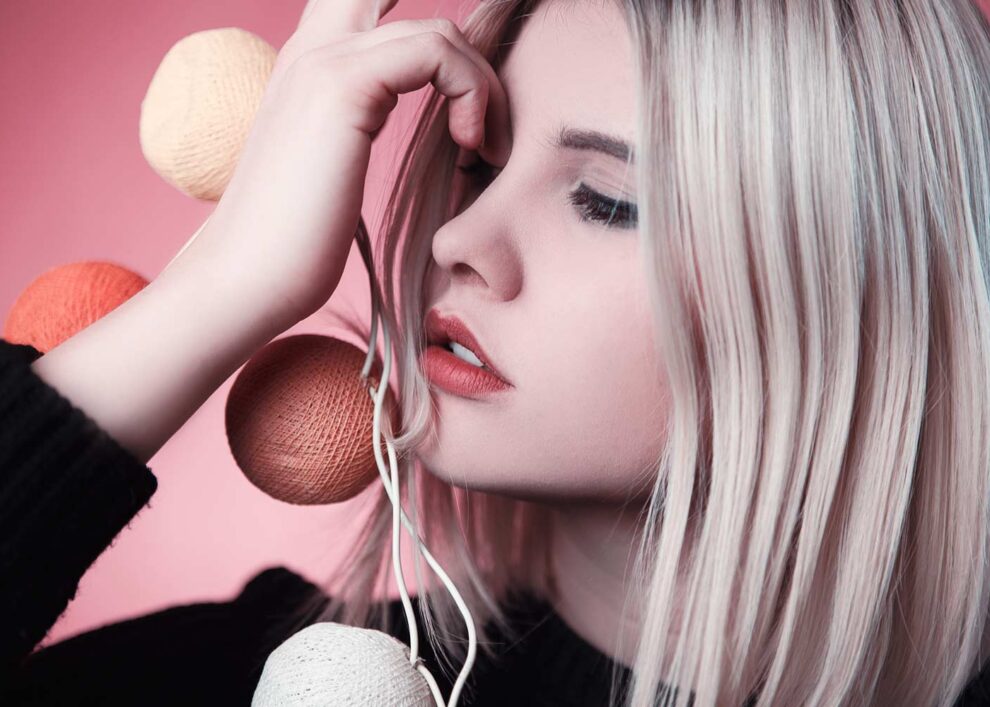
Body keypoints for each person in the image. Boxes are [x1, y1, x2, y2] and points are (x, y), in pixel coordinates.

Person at [3, 0, 990, 704]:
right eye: (478, 166)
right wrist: (221, 287)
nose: (455, 239)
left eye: (606, 199)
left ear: (861, 289)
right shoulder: (251, 675)